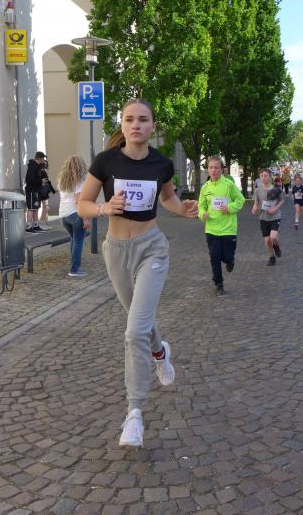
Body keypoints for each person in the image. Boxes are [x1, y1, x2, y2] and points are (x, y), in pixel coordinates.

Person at [77, 98, 198, 447]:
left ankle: (134, 414)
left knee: (134, 331)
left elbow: (168, 198)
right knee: (138, 319)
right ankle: (160, 352)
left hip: (152, 248)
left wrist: (182, 209)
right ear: (123, 124)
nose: (136, 125)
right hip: (116, 251)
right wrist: (103, 208)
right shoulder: (106, 161)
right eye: (129, 119)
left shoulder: (162, 164)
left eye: (143, 119)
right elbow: (83, 203)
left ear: (152, 126)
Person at [198, 156, 245, 295]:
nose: (213, 170)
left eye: (216, 168)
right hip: (211, 229)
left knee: (227, 257)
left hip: (228, 229)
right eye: (211, 167)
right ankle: (219, 283)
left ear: (221, 169)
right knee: (214, 257)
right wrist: (202, 214)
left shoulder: (229, 185)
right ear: (208, 169)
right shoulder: (205, 188)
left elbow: (240, 200)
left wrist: (229, 207)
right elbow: (201, 206)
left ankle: (230, 261)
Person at [57, 155, 90, 277]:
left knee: (74, 240)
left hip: (63, 215)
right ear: (80, 167)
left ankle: (74, 265)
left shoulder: (62, 180)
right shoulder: (79, 181)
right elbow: (78, 201)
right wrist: (85, 219)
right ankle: (74, 270)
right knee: (78, 241)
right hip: (75, 214)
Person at [252, 168, 284, 266]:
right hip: (263, 217)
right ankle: (271, 257)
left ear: (270, 177)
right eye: (261, 176)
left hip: (275, 216)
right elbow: (256, 203)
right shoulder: (257, 190)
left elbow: (282, 200)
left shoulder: (276, 189)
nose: (263, 178)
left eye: (265, 176)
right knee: (267, 240)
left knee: (273, 237)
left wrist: (275, 209)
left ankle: (276, 246)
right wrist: (254, 208)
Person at [24, 151, 49, 232]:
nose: (43, 160)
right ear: (39, 158)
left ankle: (35, 225)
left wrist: (42, 181)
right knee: (31, 208)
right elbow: (29, 180)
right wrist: (41, 181)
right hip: (31, 191)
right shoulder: (32, 166)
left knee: (36, 208)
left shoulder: (38, 166)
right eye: (43, 158)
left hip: (36, 190)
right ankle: (28, 227)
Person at [38, 158, 56, 230]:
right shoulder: (43, 171)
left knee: (45, 207)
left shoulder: (40, 171)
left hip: (41, 191)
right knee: (46, 207)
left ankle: (42, 224)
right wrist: (53, 191)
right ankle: (42, 224)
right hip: (43, 192)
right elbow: (48, 182)